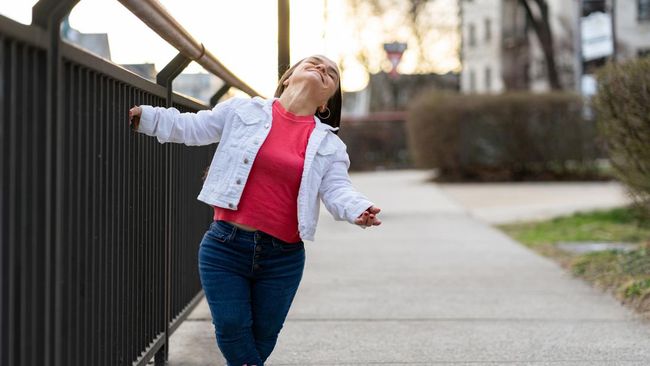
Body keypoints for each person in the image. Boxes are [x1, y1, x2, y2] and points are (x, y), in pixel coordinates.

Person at [128, 55, 381, 366]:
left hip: (282, 259)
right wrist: (147, 118)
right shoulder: (242, 110)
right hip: (225, 247)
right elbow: (193, 127)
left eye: (330, 73)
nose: (321, 69)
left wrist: (358, 209)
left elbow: (336, 189)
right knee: (233, 328)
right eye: (313, 63)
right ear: (287, 78)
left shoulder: (328, 145)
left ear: (326, 103)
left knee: (262, 339)